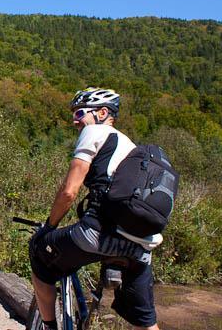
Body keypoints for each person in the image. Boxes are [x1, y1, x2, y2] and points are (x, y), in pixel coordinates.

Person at [28, 87, 161, 330]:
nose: (75, 120)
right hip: (142, 246)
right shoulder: (132, 148)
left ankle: (48, 326)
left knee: (38, 252)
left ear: (102, 113)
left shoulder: (95, 131)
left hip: (98, 233)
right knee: (147, 322)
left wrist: (49, 226)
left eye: (80, 113)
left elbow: (69, 192)